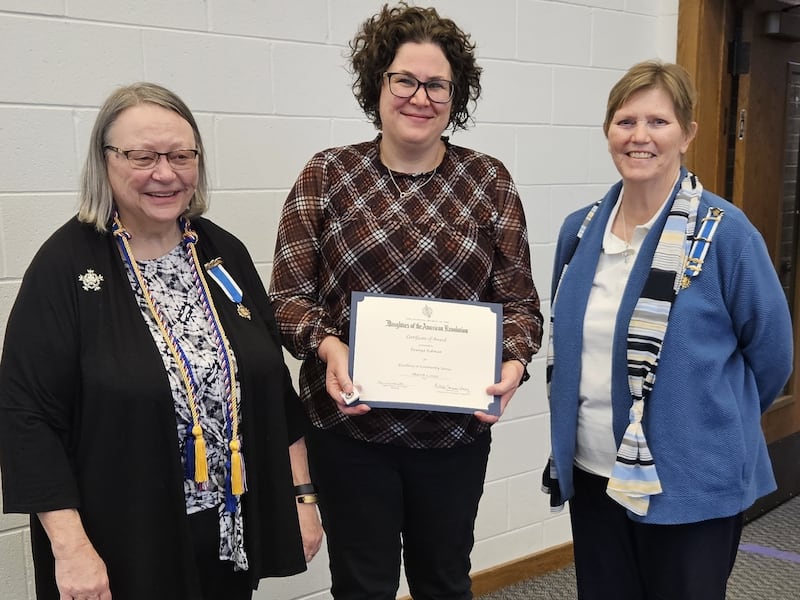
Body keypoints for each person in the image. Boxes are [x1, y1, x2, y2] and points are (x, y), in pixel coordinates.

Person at [0, 82, 323, 600]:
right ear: (104, 162)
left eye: (180, 155)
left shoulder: (221, 251)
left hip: (228, 527)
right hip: (121, 538)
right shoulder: (64, 267)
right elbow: (27, 417)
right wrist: (71, 549)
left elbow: (269, 383)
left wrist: (302, 496)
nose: (165, 173)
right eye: (142, 156)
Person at [269, 3, 542, 599]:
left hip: (453, 437)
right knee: (362, 586)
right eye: (405, 80)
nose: (421, 97)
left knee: (444, 581)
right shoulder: (328, 175)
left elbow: (520, 304)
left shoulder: (489, 181)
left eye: (437, 84)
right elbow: (287, 298)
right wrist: (328, 342)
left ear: (456, 94)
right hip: (349, 435)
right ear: (379, 84)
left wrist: (514, 362)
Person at [542, 60, 794, 600]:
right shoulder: (580, 230)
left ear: (687, 133)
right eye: (625, 121)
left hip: (691, 483)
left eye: (658, 122)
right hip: (594, 474)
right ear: (608, 130)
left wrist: (708, 419)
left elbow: (771, 356)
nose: (640, 136)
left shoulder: (726, 236)